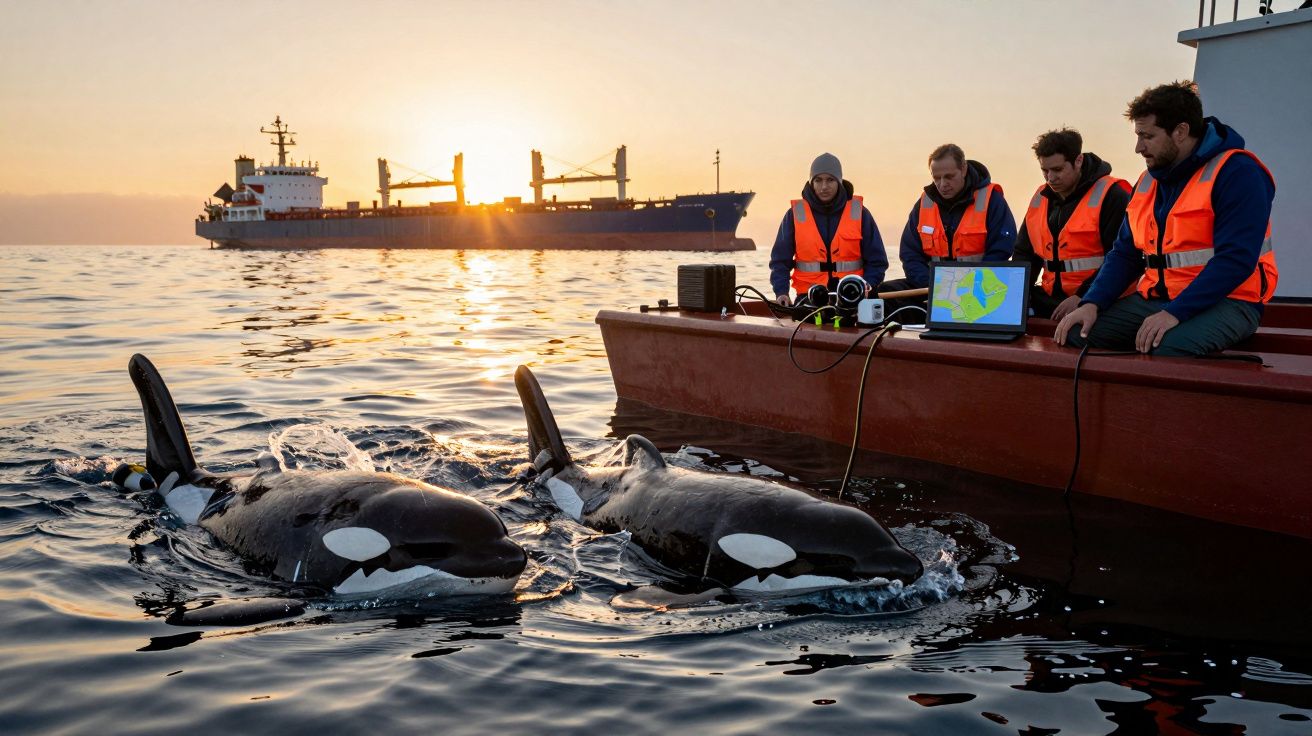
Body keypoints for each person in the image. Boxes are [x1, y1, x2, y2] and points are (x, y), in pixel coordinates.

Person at [1054, 80, 1279, 356]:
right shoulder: (1148, 181)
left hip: (1231, 301)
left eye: (1147, 136)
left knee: (1166, 348)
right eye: (1137, 136)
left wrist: (1175, 313)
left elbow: (1236, 259)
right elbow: (1124, 253)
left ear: (1181, 131)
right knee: (1077, 332)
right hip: (1157, 299)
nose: (1138, 147)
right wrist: (1092, 302)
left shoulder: (1237, 172)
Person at [1014, 128, 1132, 321]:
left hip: (1102, 299)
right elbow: (1024, 254)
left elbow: (1120, 258)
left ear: (1078, 161)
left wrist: (1085, 297)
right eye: (1045, 170)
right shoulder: (1040, 198)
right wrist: (1017, 297)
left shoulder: (1112, 195)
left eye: (1058, 170)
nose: (1050, 178)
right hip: (1052, 299)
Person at [877, 144, 1016, 301]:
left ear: (963, 169)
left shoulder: (991, 200)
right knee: (885, 293)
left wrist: (971, 287)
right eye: (936, 178)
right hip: (933, 288)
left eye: (949, 177)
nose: (942, 184)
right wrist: (932, 287)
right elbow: (910, 254)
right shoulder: (925, 203)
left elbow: (1001, 251)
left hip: (978, 290)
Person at [770, 153, 888, 307]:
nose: (824, 187)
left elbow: (877, 261)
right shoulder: (794, 214)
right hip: (809, 299)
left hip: (853, 298)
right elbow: (780, 261)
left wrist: (867, 285)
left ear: (839, 181)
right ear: (811, 182)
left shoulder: (859, 213)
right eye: (818, 180)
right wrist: (781, 292)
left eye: (830, 180)